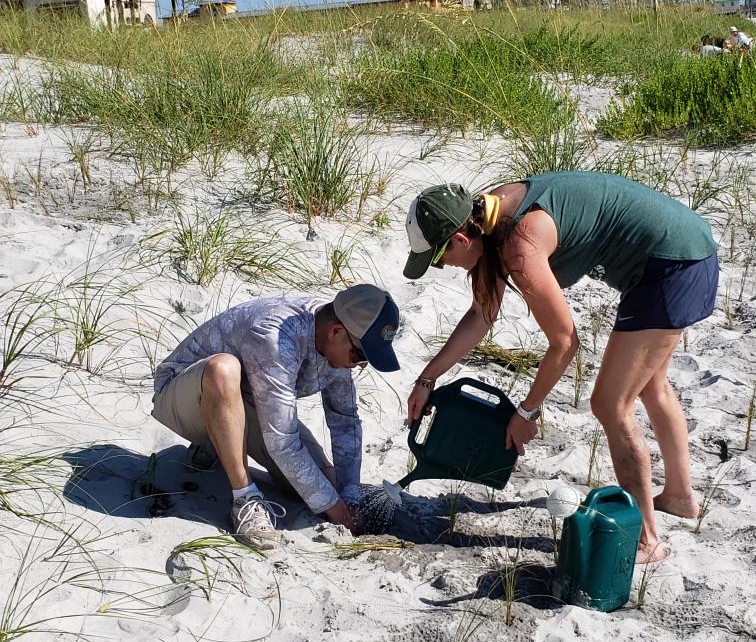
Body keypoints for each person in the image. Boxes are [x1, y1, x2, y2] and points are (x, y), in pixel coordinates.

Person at [403, 174, 719, 564]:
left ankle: (645, 540)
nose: (443, 267)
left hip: (674, 263)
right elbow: (481, 315)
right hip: (678, 251)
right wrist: (427, 378)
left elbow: (565, 343)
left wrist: (527, 411)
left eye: (438, 259)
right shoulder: (490, 213)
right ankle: (680, 497)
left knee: (610, 404)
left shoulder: (519, 245)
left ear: (460, 240)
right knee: (652, 386)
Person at [152, 284, 400, 549]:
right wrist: (338, 512)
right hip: (183, 396)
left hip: (249, 402)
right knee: (223, 369)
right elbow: (282, 442)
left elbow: (345, 421)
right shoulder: (276, 337)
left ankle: (215, 444)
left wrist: (348, 495)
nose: (359, 365)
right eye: (360, 356)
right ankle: (244, 497)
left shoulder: (336, 341)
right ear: (336, 332)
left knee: (325, 487)